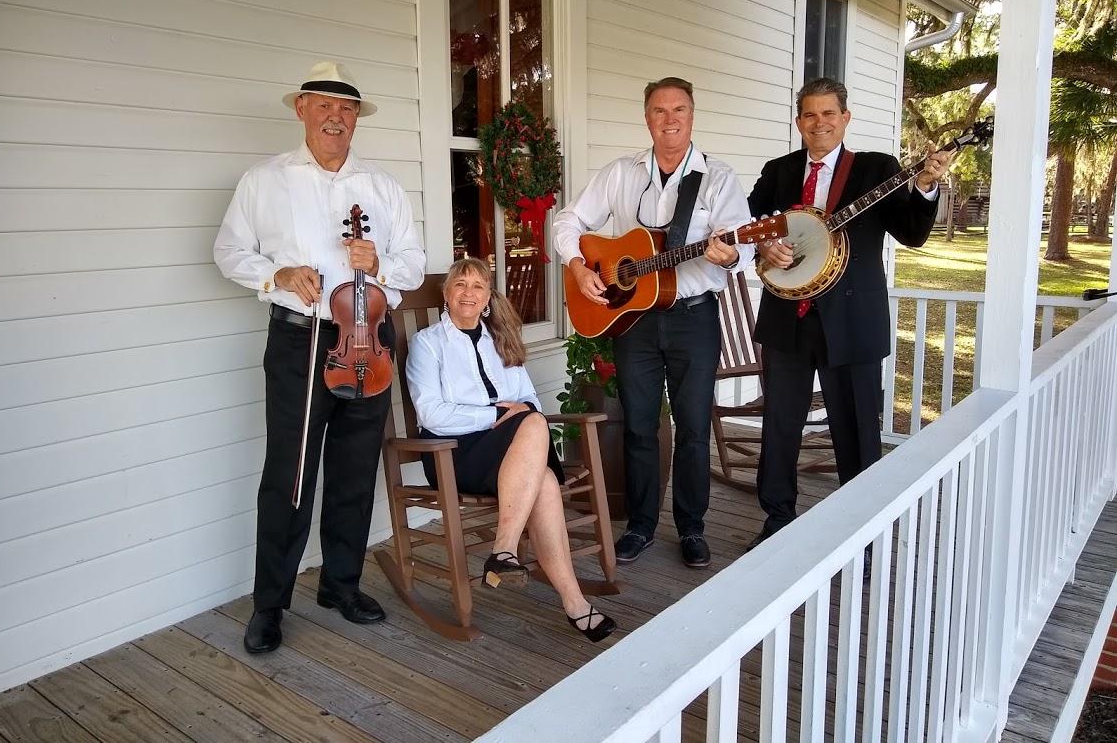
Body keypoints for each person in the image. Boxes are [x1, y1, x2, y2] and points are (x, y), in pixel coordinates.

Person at [213, 61, 426, 653]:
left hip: (368, 340)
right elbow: (229, 250)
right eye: (324, 106)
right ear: (301, 110)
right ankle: (269, 604)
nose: (336, 117)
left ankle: (340, 584)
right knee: (290, 475)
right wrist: (274, 273)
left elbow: (412, 260)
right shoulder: (265, 179)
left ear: (357, 118)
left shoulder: (381, 187)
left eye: (347, 108)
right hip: (301, 340)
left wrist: (379, 264)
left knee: (355, 471)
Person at [553, 77, 754, 569]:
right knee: (640, 427)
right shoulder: (622, 173)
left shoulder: (717, 178)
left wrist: (728, 253)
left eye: (679, 110)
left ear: (692, 115)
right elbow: (567, 221)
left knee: (691, 429)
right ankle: (640, 526)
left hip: (693, 318)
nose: (670, 120)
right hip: (634, 321)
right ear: (647, 118)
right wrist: (579, 268)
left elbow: (744, 249)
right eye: (659, 111)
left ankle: (691, 528)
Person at [747, 77, 953, 552]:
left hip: (853, 322)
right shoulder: (778, 172)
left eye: (829, 114)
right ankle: (777, 517)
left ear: (845, 118)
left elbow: (911, 234)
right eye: (810, 115)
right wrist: (766, 244)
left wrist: (923, 184)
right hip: (787, 319)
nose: (819, 123)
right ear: (798, 121)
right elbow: (750, 223)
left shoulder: (876, 170)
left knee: (856, 426)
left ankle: (861, 527)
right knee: (780, 423)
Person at [405, 258, 617, 642]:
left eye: (478, 286)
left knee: (545, 479)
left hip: (511, 452)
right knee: (535, 433)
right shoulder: (427, 344)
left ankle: (573, 602)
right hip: (453, 454)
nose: (469, 292)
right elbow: (432, 415)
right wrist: (494, 416)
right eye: (460, 285)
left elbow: (529, 399)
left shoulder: (499, 338)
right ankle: (505, 550)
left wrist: (519, 414)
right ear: (447, 294)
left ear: (488, 297)